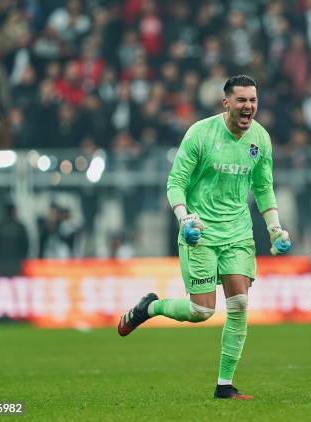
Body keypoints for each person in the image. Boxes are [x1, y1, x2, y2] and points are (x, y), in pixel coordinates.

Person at [117, 75, 292, 399]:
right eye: (241, 100)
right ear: (226, 102)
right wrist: (184, 219)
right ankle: (151, 308)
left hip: (238, 231)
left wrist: (275, 228)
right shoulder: (200, 133)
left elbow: (263, 187)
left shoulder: (261, 139)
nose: (248, 106)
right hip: (200, 231)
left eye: (253, 100)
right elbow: (176, 183)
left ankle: (225, 385)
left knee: (239, 304)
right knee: (202, 311)